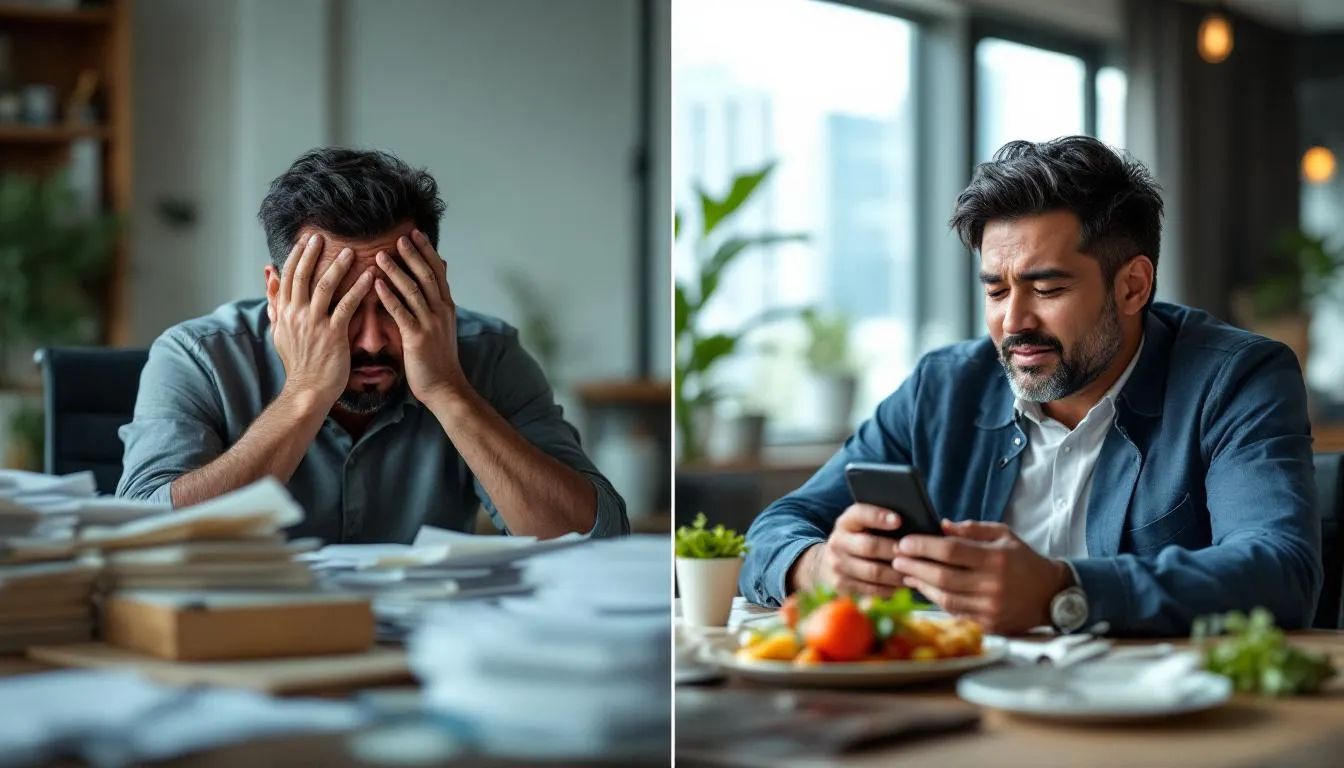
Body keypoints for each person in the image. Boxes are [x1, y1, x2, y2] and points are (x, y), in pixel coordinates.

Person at [740, 135, 1321, 637]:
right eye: (995, 291)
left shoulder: (1236, 379)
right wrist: (818, 567)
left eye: (1046, 289)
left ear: (1132, 287)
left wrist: (1060, 592)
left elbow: (1279, 571)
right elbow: (777, 527)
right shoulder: (941, 389)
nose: (1013, 322)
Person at [117, 147, 628, 543]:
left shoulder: (488, 356)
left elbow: (598, 540)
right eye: (335, 307)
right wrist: (304, 395)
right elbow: (138, 534)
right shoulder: (196, 357)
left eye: (394, 305)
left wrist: (449, 391)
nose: (371, 340)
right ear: (277, 292)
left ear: (435, 284)